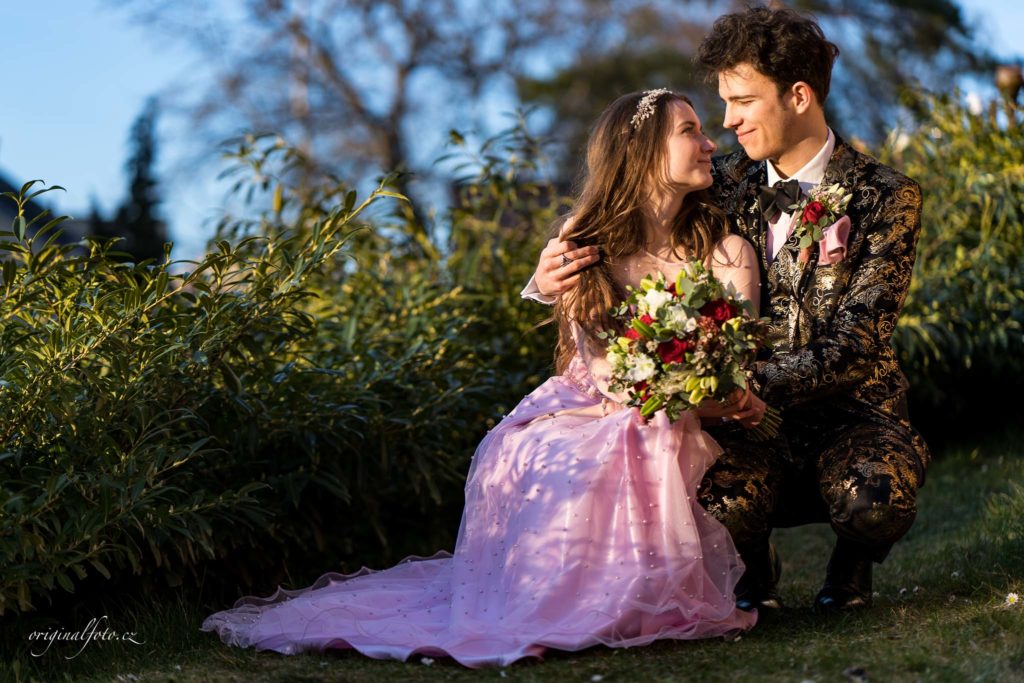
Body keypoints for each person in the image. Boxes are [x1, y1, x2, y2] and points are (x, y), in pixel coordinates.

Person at [201, 90, 761, 668]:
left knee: (639, 436)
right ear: (640, 151)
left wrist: (710, 393)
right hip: (593, 397)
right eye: (689, 130)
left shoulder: (727, 252)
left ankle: (632, 593)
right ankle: (557, 600)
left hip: (671, 409)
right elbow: (598, 363)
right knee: (545, 446)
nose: (709, 142)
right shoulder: (580, 244)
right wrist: (652, 396)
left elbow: (731, 364)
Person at [525, 5, 930, 614]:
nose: (727, 119)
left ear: (797, 95)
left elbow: (858, 341)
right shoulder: (718, 178)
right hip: (737, 428)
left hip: (849, 413)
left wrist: (734, 385)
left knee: (872, 499)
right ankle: (749, 560)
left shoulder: (886, 196)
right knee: (707, 502)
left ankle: (854, 559)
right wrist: (547, 273)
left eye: (742, 100)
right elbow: (629, 206)